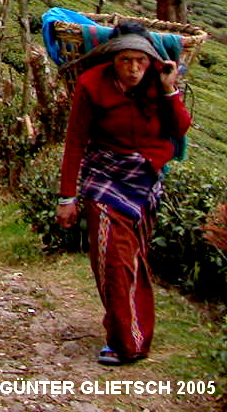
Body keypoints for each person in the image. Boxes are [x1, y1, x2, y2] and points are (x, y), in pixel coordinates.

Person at [55, 27, 190, 365]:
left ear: (150, 63)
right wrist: (66, 198)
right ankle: (125, 342)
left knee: (134, 260)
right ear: (112, 59)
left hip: (144, 181)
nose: (132, 68)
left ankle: (129, 327)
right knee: (112, 259)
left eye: (140, 61)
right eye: (125, 60)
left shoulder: (158, 85)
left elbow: (179, 128)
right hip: (103, 178)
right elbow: (75, 143)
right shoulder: (91, 85)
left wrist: (170, 89)